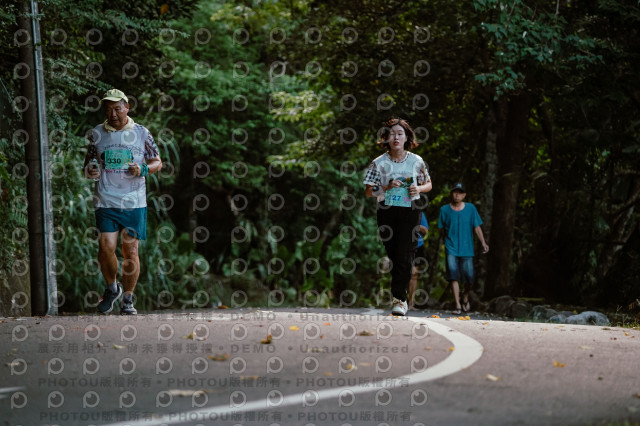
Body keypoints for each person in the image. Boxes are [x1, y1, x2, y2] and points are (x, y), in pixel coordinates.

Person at [83, 89, 162, 315]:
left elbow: (157, 162)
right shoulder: (97, 133)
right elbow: (88, 165)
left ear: (127, 108)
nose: (113, 114)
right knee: (105, 247)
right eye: (108, 110)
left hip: (133, 202)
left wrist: (143, 169)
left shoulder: (142, 133)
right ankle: (112, 288)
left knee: (131, 251)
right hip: (105, 200)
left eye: (117, 109)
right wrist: (90, 171)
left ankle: (128, 298)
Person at [363, 118, 432, 316]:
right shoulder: (378, 163)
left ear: (407, 137)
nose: (396, 137)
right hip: (387, 210)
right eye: (392, 133)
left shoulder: (416, 161)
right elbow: (369, 191)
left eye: (400, 133)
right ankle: (399, 296)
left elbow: (428, 184)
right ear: (386, 138)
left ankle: (399, 300)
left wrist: (418, 188)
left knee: (406, 254)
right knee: (394, 254)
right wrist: (385, 187)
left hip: (411, 209)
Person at [438, 183, 489, 315]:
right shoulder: (444, 210)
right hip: (451, 247)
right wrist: (444, 244)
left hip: (467, 248)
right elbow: (442, 229)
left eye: (460, 193)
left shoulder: (471, 208)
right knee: (453, 276)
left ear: (464, 195)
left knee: (469, 278)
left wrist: (483, 242)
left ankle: (465, 296)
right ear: (451, 194)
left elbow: (477, 227)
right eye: (455, 192)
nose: (457, 195)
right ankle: (458, 305)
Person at [408, 212, 429, 310]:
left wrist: (416, 226)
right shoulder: (399, 210)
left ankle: (410, 303)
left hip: (417, 246)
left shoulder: (420, 213)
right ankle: (399, 301)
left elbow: (425, 231)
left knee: (414, 274)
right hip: (402, 246)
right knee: (402, 273)